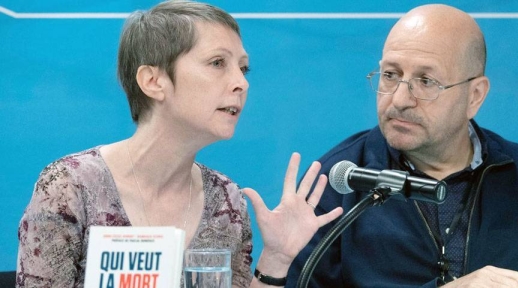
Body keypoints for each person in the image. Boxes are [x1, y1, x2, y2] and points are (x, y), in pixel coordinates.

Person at [15, 1, 342, 287]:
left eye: (243, 68)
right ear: (153, 80)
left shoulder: (226, 201)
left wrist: (277, 258)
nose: (241, 83)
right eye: (218, 63)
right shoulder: (70, 186)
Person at [286, 4, 518, 288]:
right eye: (390, 75)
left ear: (474, 96)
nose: (400, 99)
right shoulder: (338, 182)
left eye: (426, 82)